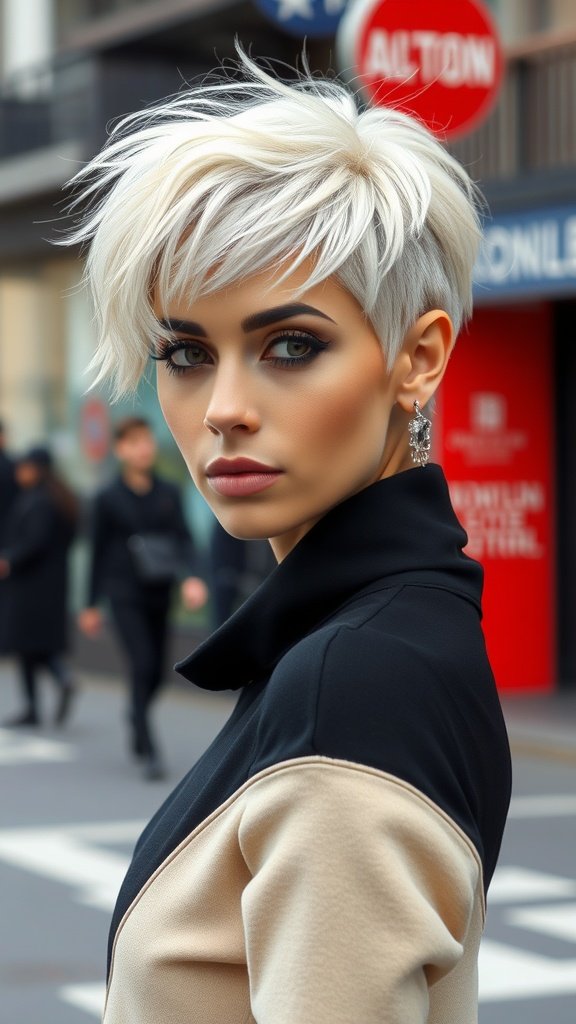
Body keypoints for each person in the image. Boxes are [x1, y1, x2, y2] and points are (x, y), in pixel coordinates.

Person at [64, 54, 511, 1024]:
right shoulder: (392, 625)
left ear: (418, 358)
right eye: (184, 353)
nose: (223, 409)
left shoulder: (350, 679)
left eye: (290, 345)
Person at [78, 416, 208, 780]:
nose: (144, 448)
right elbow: (97, 553)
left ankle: (135, 712)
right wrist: (90, 603)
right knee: (142, 663)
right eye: (135, 443)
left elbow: (185, 537)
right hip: (124, 592)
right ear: (121, 450)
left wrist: (193, 577)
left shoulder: (168, 491)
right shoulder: (106, 497)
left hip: (160, 588)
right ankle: (150, 748)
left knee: (158, 674)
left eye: (147, 442)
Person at [0, 446, 78, 727]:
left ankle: (46, 693)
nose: (19, 473)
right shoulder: (58, 498)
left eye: (24, 467)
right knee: (34, 646)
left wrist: (9, 560)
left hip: (29, 586)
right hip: (50, 584)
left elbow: (34, 541)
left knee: (27, 646)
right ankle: (49, 690)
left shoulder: (39, 501)